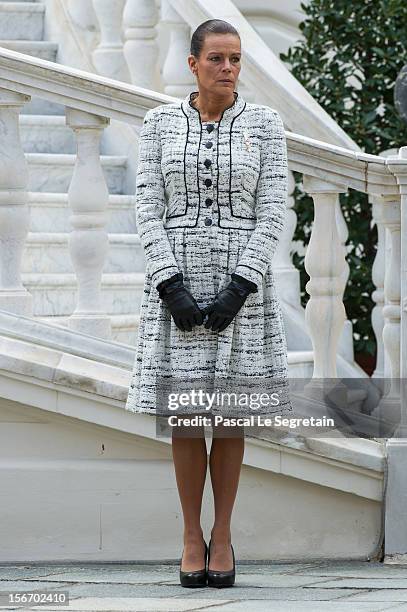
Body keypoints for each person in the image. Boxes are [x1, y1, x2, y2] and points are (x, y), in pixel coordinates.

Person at [125, 18, 292, 588]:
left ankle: (223, 535)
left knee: (229, 415)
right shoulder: (158, 124)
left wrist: (241, 286)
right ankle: (191, 537)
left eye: (236, 59)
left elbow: (274, 210)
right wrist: (169, 282)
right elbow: (146, 203)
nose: (228, 69)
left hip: (241, 291)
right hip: (178, 285)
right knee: (189, 417)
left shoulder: (266, 125)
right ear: (192, 63)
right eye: (217, 58)